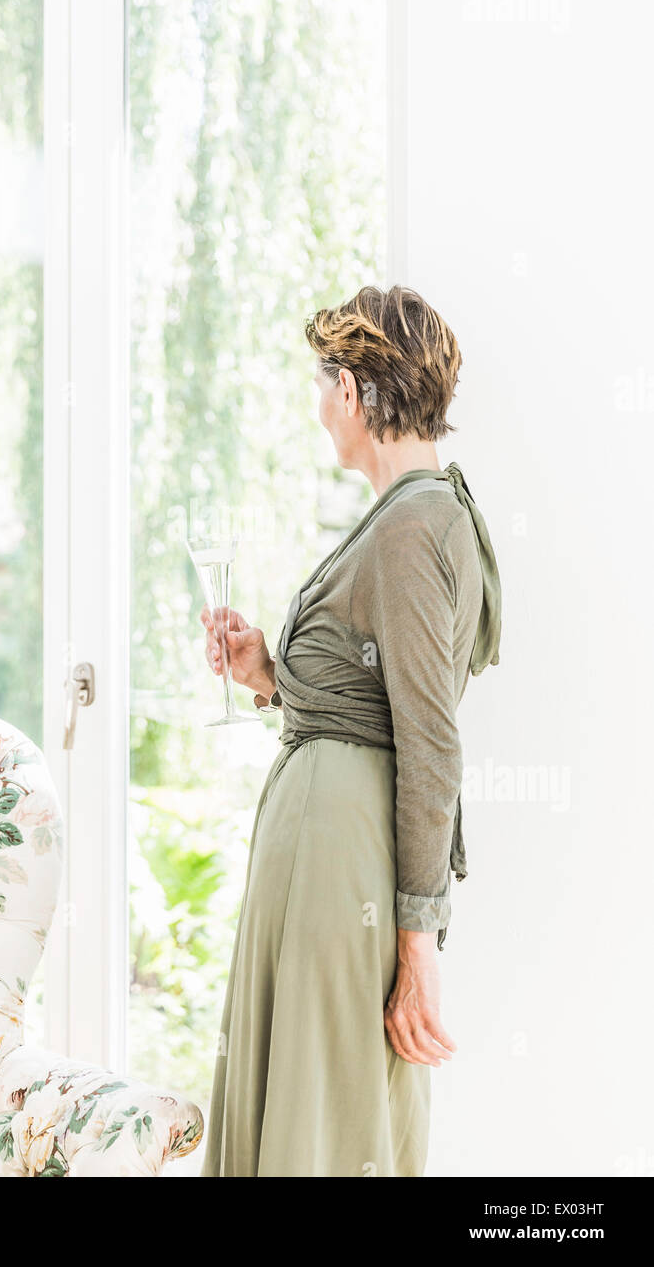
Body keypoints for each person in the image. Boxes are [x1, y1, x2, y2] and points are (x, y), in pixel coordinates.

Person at [199, 284, 501, 1177]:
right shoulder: (414, 515)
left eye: (323, 381)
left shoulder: (411, 528)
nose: (317, 405)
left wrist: (419, 948)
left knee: (323, 1113)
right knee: (324, 1103)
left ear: (355, 393)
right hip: (332, 857)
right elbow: (373, 701)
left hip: (344, 866)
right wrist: (266, 673)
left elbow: (430, 741)